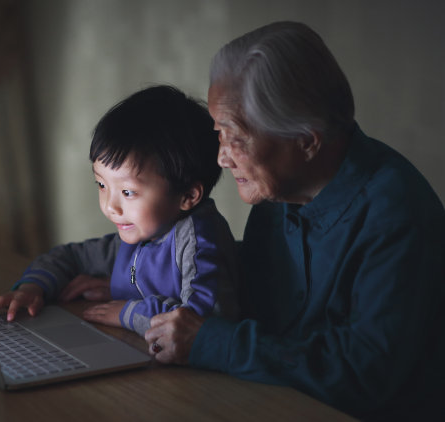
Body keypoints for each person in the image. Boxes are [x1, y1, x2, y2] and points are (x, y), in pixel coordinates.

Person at [144, 21, 445, 421]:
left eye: (235, 137)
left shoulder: (398, 215)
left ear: (306, 140)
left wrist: (213, 343)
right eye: (219, 134)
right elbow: (256, 296)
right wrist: (139, 275)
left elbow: (365, 375)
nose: (221, 157)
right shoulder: (280, 191)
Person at [0, 85, 241, 337]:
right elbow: (69, 256)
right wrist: (31, 288)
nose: (110, 206)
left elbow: (202, 324)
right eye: (102, 185)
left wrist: (128, 312)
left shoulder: (198, 241)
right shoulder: (142, 235)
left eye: (128, 192)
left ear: (188, 196)